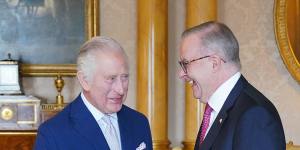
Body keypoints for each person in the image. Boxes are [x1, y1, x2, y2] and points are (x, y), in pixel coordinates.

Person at [178, 21, 285, 150]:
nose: (181, 74)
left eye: (185, 63)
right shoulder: (216, 109)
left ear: (214, 63)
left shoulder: (255, 116)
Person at [34, 36, 153, 150]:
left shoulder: (139, 123)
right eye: (111, 79)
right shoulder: (52, 134)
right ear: (84, 80)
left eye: (124, 77)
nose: (121, 89)